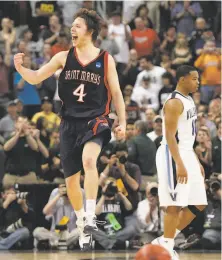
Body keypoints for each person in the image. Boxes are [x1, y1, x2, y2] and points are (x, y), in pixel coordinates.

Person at [14, 8, 126, 250]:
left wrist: (123, 122)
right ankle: (82, 218)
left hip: (96, 119)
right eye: (72, 25)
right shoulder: (63, 57)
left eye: (77, 25)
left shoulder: (106, 59)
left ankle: (89, 215)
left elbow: (116, 93)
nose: (72, 29)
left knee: (89, 162)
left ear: (91, 31)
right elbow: (36, 77)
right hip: (68, 123)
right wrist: (21, 69)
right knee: (72, 181)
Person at [152, 65, 207, 259]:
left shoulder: (189, 99)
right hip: (172, 154)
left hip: (186, 152)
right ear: (182, 79)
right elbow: (169, 136)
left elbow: (186, 135)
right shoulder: (174, 102)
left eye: (198, 79)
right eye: (194, 78)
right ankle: (167, 248)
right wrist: (180, 163)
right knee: (174, 205)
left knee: (199, 202)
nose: (198, 82)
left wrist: (194, 160)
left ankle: (164, 240)